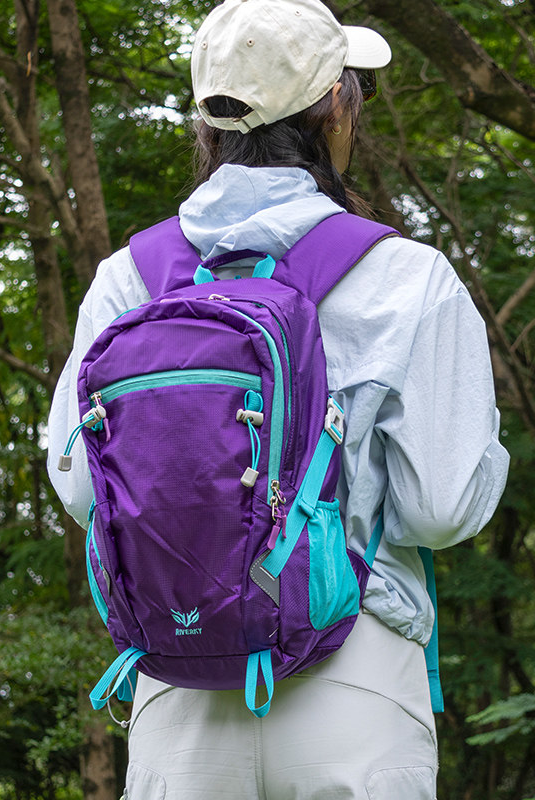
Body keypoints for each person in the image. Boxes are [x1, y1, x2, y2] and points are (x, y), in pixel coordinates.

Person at [47, 0, 510, 797]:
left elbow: (84, 493)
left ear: (207, 120)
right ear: (335, 104)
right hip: (354, 671)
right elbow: (439, 510)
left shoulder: (129, 278)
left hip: (179, 680)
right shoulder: (406, 276)